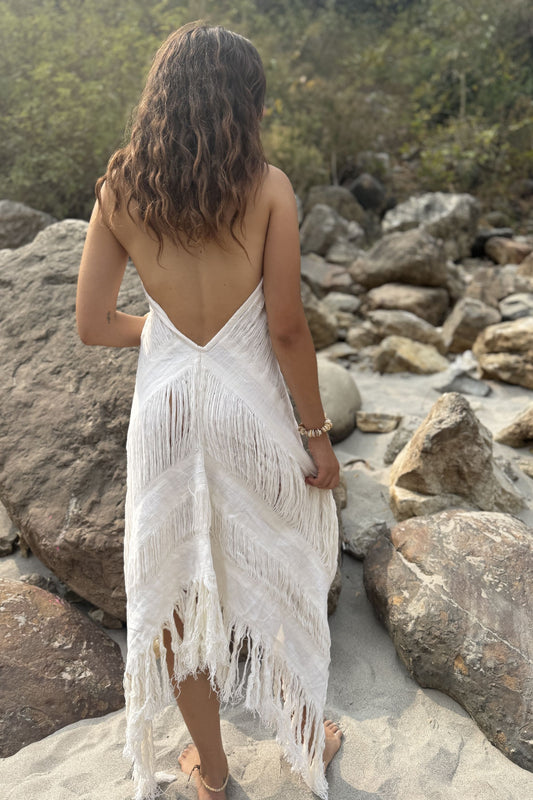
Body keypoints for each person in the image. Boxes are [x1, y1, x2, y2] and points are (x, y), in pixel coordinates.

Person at [76, 21, 342, 800]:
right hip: (248, 412)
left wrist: (161, 333)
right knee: (279, 566)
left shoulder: (120, 187)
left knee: (181, 584)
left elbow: (92, 327)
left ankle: (213, 772)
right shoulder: (267, 188)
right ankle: (301, 734)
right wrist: (317, 436)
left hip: (165, 409)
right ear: (244, 100)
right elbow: (287, 329)